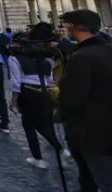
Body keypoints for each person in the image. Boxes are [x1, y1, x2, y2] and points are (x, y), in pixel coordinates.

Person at [59, 10, 112, 192]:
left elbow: (73, 100)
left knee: (103, 181)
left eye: (67, 26)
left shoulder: (80, 58)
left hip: (94, 132)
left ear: (74, 27)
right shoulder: (107, 50)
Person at [8, 23, 64, 170]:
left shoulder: (14, 58)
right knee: (45, 123)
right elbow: (50, 79)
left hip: (28, 92)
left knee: (29, 126)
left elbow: (16, 82)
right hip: (45, 91)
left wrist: (14, 101)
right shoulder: (47, 58)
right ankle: (61, 149)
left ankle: (38, 158)